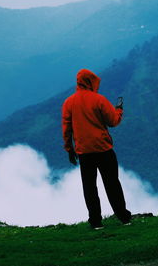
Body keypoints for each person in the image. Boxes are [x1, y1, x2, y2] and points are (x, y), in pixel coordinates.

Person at [62, 69, 132, 230]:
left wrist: (69, 149)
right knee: (112, 183)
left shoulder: (69, 103)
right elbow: (113, 121)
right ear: (91, 82)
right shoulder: (99, 100)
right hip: (104, 149)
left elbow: (67, 130)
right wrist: (119, 110)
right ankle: (124, 217)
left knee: (89, 187)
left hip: (83, 152)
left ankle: (95, 222)